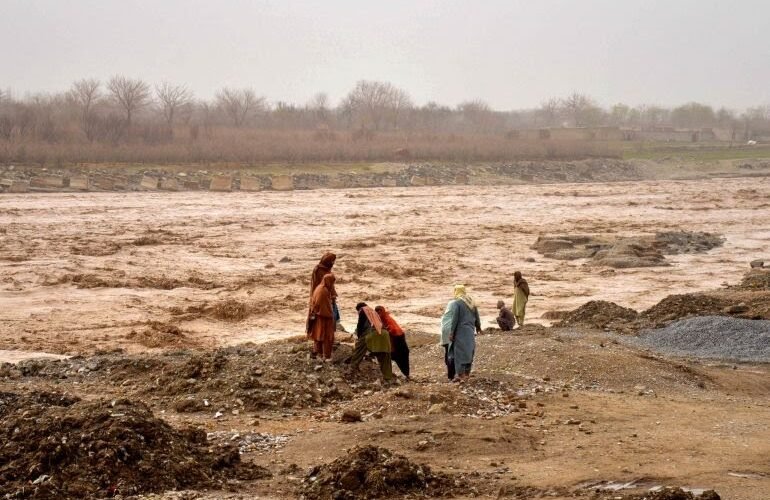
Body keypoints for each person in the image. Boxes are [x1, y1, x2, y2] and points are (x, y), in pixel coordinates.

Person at [348, 302, 393, 382]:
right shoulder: (373, 311)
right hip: (385, 334)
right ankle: (388, 377)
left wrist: (359, 338)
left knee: (359, 350)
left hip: (372, 333)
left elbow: (360, 326)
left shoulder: (363, 310)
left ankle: (352, 369)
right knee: (385, 356)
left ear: (359, 309)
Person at [446, 285, 481, 382]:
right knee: (469, 352)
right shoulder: (471, 302)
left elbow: (455, 319)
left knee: (459, 353)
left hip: (460, 332)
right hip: (470, 331)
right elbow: (477, 316)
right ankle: (467, 374)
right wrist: (478, 327)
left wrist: (452, 332)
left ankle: (460, 375)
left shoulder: (457, 303)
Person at [309, 252, 342, 330]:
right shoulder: (319, 270)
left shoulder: (326, 269)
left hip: (329, 295)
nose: (333, 263)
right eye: (332, 261)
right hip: (323, 297)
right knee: (326, 316)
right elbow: (319, 285)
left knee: (334, 316)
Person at [375, 305, 410, 380]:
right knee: (394, 356)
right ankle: (404, 374)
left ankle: (406, 374)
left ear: (382, 311)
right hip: (395, 339)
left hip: (398, 338)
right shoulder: (382, 319)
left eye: (380, 311)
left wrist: (386, 330)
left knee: (399, 356)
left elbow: (393, 329)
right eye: (377, 312)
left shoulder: (387, 319)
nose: (379, 313)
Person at [307, 273, 336, 362]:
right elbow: (324, 307)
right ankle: (326, 356)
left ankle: (318, 353)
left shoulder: (319, 288)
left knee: (319, 335)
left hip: (318, 317)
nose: (332, 285)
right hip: (324, 318)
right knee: (327, 337)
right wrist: (331, 315)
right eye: (332, 282)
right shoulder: (323, 291)